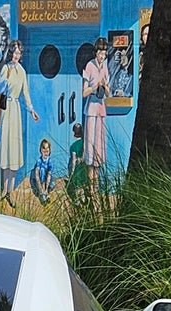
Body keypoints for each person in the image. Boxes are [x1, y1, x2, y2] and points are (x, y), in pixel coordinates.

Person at [0, 39, 39, 205]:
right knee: (5, 147)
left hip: (16, 110)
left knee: (14, 149)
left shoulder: (22, 71)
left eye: (18, 53)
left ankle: (11, 191)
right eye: (14, 53)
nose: (16, 56)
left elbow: (26, 93)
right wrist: (5, 79)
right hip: (6, 109)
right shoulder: (6, 68)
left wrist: (32, 110)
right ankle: (4, 189)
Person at [82, 38, 110, 194]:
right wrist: (94, 86)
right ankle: (89, 186)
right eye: (100, 53)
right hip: (91, 110)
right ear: (96, 53)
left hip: (101, 110)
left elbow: (108, 92)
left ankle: (96, 187)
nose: (102, 56)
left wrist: (105, 86)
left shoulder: (105, 67)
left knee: (99, 149)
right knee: (91, 148)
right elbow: (84, 92)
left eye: (104, 53)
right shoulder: (90, 66)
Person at [66, 121, 89, 203]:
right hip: (83, 167)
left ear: (73, 133)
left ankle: (77, 201)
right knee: (82, 186)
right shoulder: (84, 143)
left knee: (77, 186)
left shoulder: (73, 146)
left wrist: (71, 171)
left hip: (77, 169)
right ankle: (83, 199)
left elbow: (73, 160)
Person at [29, 137, 54, 203]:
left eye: (47, 151)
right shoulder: (39, 161)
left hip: (47, 179)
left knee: (47, 174)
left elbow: (49, 173)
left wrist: (46, 188)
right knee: (42, 171)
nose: (45, 153)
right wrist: (41, 189)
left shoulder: (50, 161)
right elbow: (36, 174)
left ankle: (46, 193)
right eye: (44, 151)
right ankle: (42, 193)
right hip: (38, 179)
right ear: (41, 151)